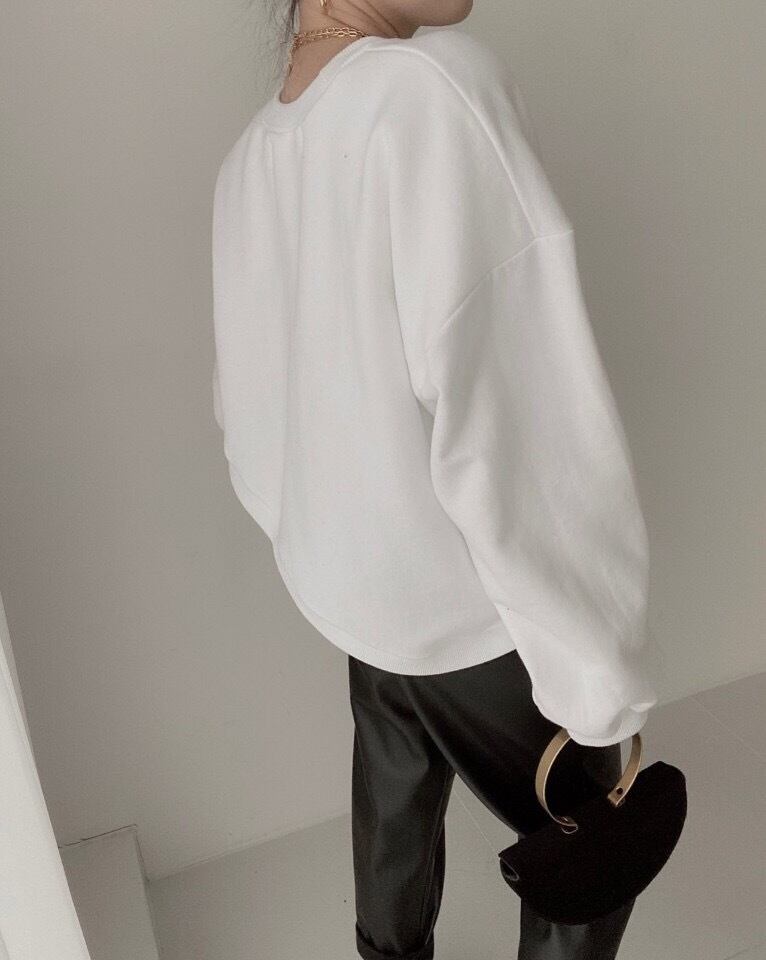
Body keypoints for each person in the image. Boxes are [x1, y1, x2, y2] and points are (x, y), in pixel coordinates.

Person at [211, 1, 662, 957]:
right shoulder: (430, 88)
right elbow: (526, 423)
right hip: (476, 617)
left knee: (395, 806)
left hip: (360, 601)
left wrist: (335, 548)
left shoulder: (253, 156)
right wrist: (597, 675)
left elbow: (246, 417)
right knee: (593, 857)